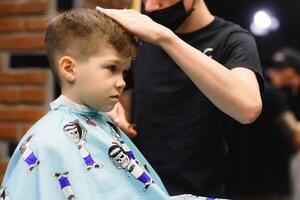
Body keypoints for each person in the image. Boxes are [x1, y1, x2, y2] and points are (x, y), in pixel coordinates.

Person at [0, 8, 225, 200]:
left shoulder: (101, 125)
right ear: (69, 68)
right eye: (112, 68)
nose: (122, 82)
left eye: (124, 71)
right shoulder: (48, 143)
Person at [96, 0, 264, 198]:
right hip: (141, 189)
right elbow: (105, 84)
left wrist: (165, 38)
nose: (150, 7)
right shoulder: (142, 40)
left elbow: (248, 107)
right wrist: (106, 107)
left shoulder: (232, 40)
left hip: (200, 191)